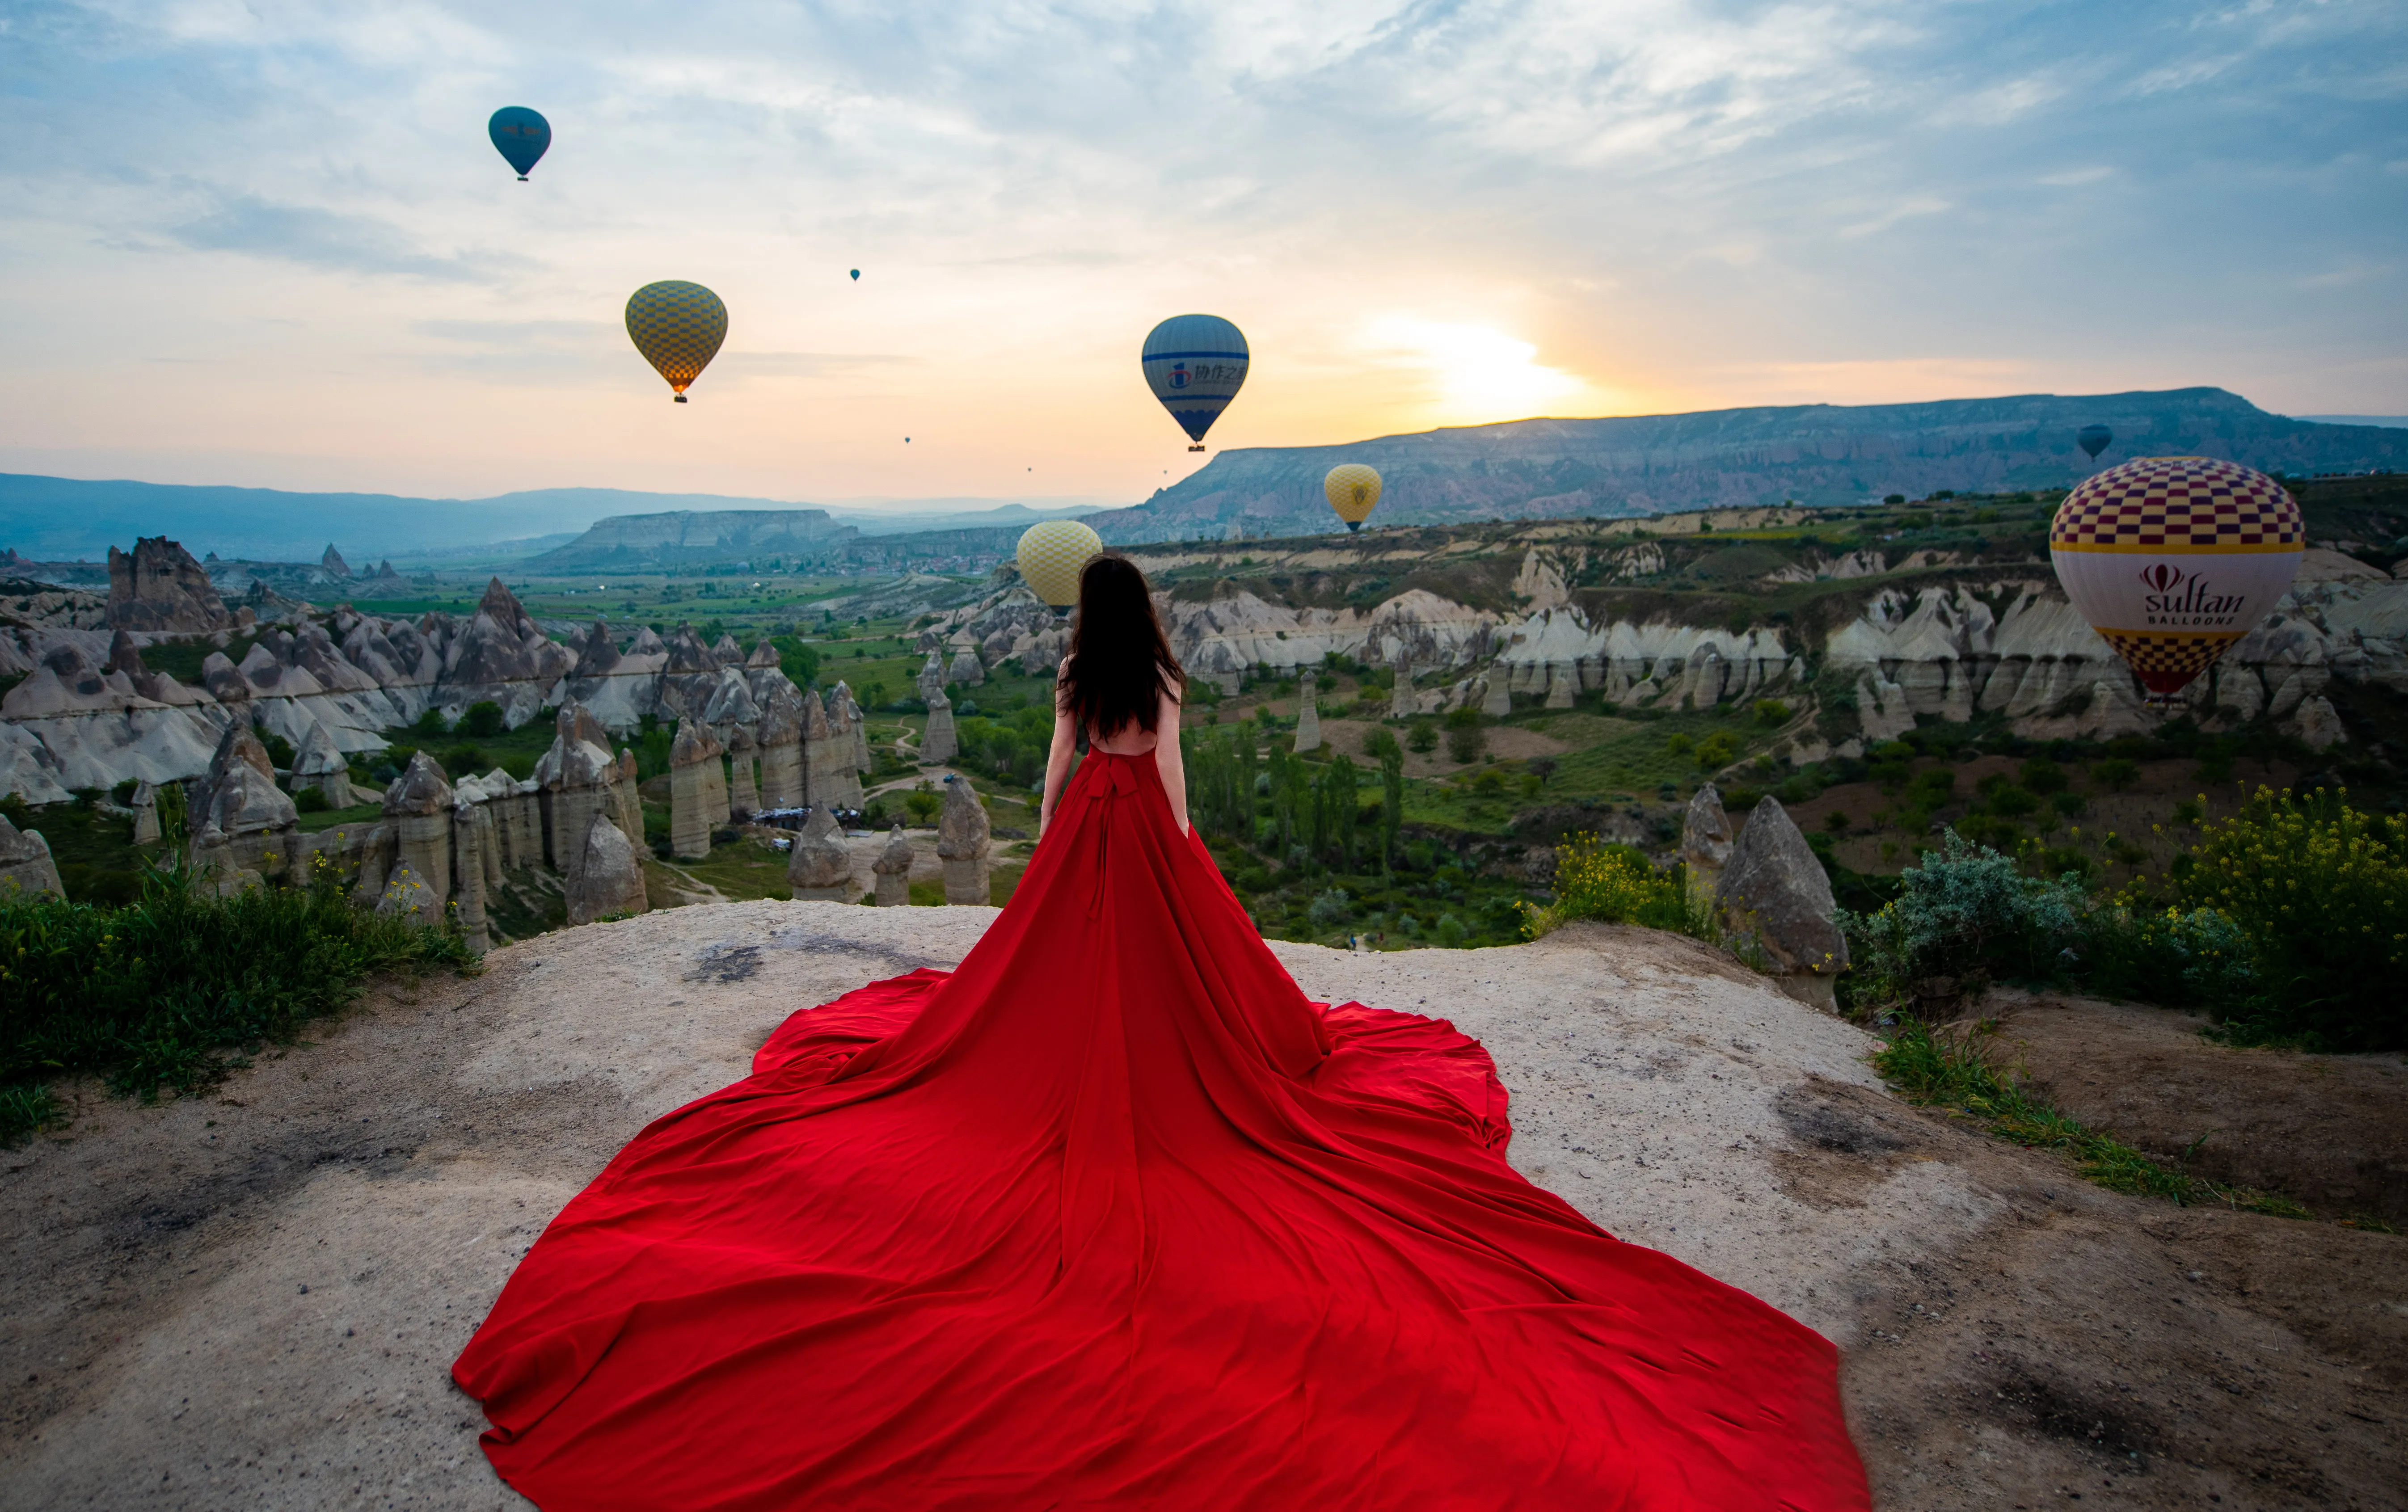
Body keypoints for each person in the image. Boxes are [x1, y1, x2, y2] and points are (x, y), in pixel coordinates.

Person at [452, 553, 1869, 1510]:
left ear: (1087, 621)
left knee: (1034, 999)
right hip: (1147, 852)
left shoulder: (1074, 681)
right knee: (1186, 1012)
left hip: (1084, 847)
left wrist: (1067, 835)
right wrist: (1186, 873)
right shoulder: (1165, 681)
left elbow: (1067, 773)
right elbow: (1173, 791)